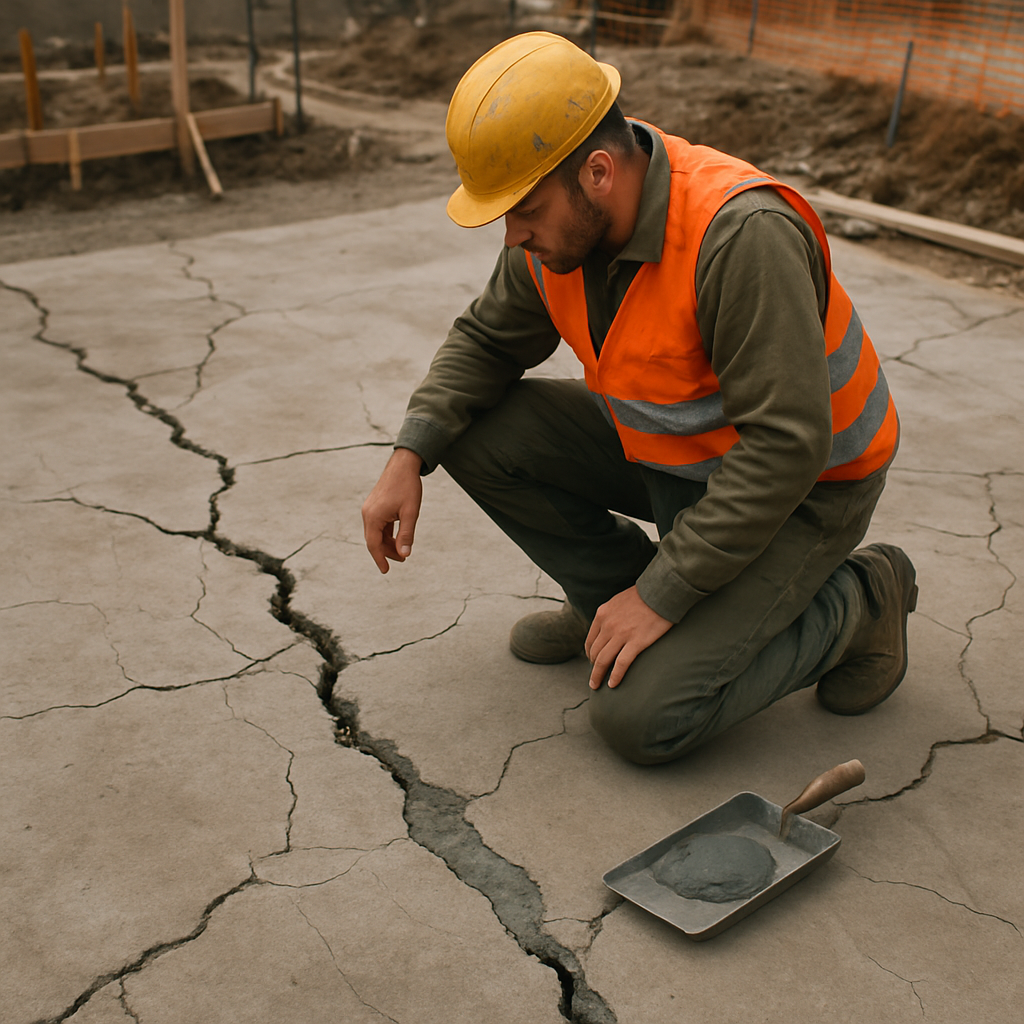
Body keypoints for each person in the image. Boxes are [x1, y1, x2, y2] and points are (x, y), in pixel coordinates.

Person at [361, 31, 918, 764]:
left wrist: (665, 594)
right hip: (681, 460)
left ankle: (864, 603)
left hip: (806, 490)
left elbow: (786, 447)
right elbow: (486, 342)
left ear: (597, 171)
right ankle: (607, 605)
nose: (512, 236)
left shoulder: (740, 235)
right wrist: (407, 454)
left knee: (644, 720)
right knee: (467, 428)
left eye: (522, 209)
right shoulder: (560, 237)